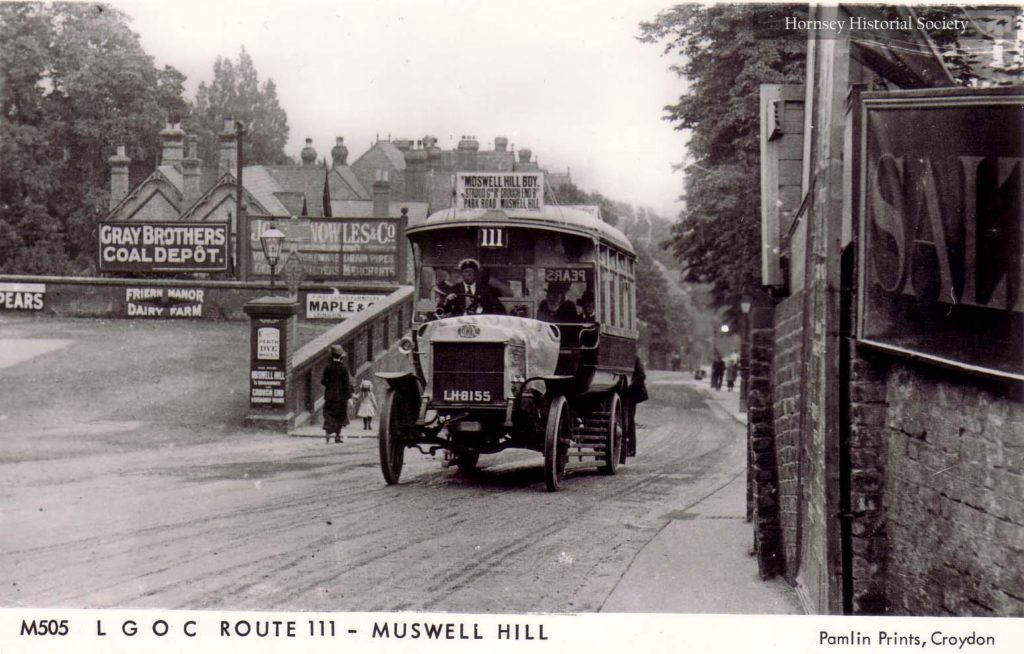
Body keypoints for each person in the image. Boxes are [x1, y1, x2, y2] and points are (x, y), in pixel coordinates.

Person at [438, 259, 505, 316]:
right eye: (466, 272)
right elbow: (441, 309)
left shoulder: (484, 289)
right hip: (459, 323)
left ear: (475, 274)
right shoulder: (454, 289)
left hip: (479, 323)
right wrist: (447, 300)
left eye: (471, 271)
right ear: (462, 274)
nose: (468, 274)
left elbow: (498, 308)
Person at [321, 345, 352, 443]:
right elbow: (346, 384)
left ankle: (328, 432)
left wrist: (329, 384)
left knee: (329, 414)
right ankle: (337, 436)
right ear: (341, 356)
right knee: (340, 415)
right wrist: (349, 397)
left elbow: (323, 381)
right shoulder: (344, 368)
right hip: (341, 397)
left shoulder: (328, 367)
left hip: (329, 395)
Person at [623, 357, 648, 462]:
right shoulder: (635, 358)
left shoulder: (634, 358)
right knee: (629, 420)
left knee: (629, 420)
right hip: (627, 393)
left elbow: (641, 375)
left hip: (630, 394)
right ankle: (629, 448)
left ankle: (631, 448)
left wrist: (630, 387)